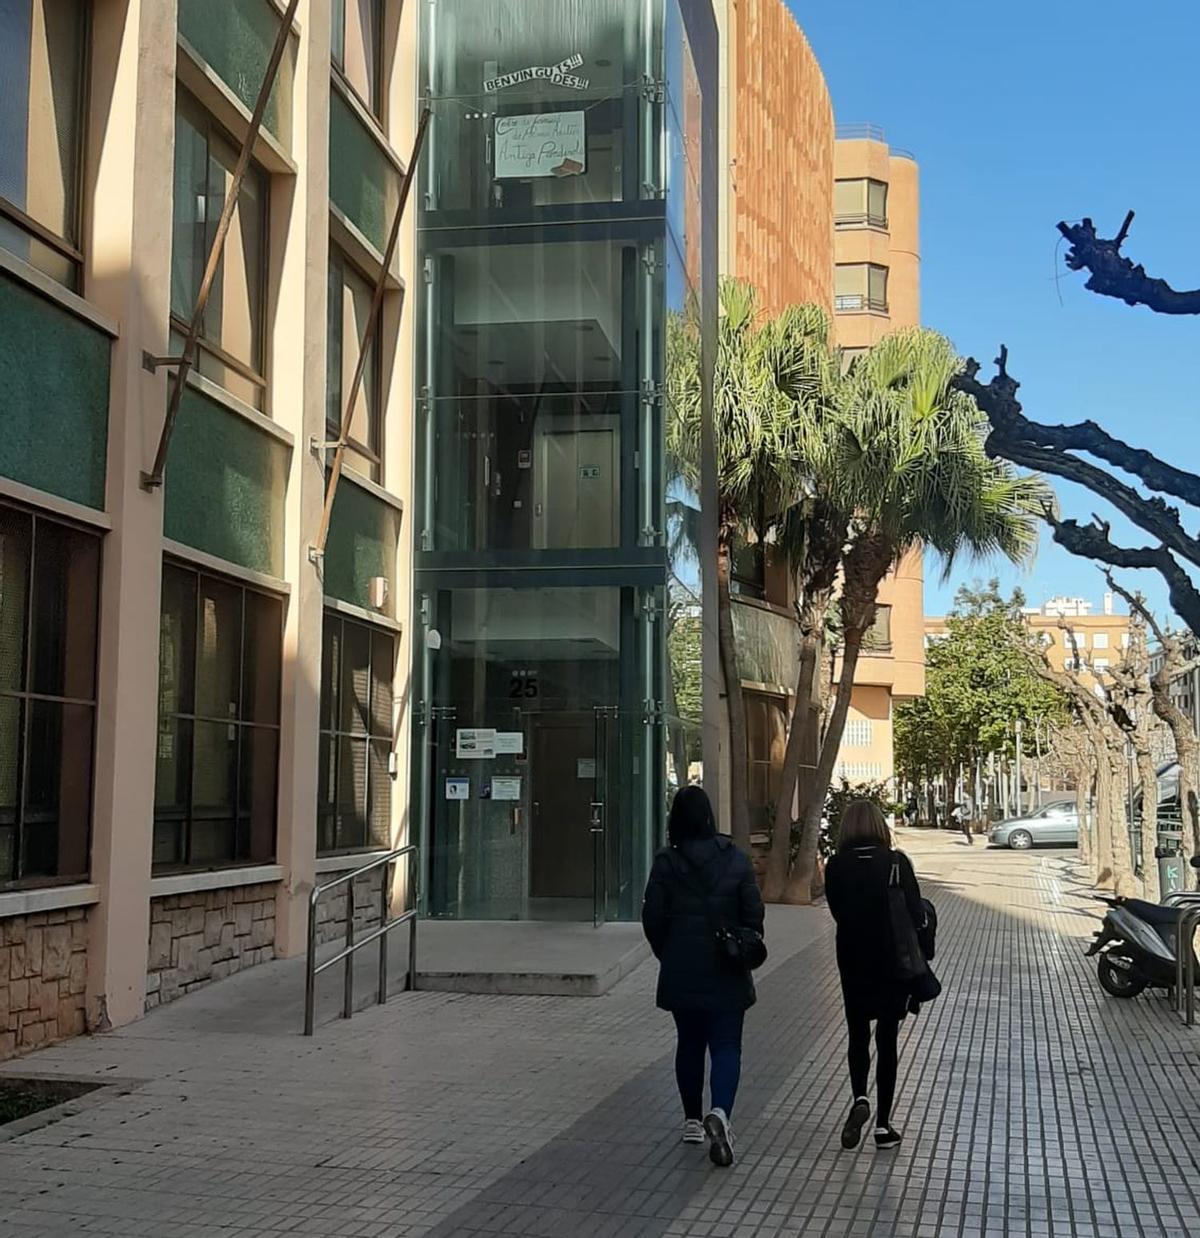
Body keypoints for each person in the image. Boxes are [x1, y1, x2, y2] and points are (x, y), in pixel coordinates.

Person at [642, 786, 764, 1168]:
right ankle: (721, 1113)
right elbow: (754, 917)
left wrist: (670, 953)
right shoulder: (736, 860)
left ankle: (692, 1121)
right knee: (727, 1045)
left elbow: (652, 920)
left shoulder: (665, 863)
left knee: (689, 1043)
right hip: (727, 969)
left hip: (683, 970)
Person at [825, 800, 925, 1152]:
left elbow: (837, 910)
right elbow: (916, 912)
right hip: (892, 961)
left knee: (857, 1033)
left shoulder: (836, 866)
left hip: (852, 958)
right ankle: (883, 1125)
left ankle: (859, 1098)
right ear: (880, 825)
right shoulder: (896, 863)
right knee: (887, 1039)